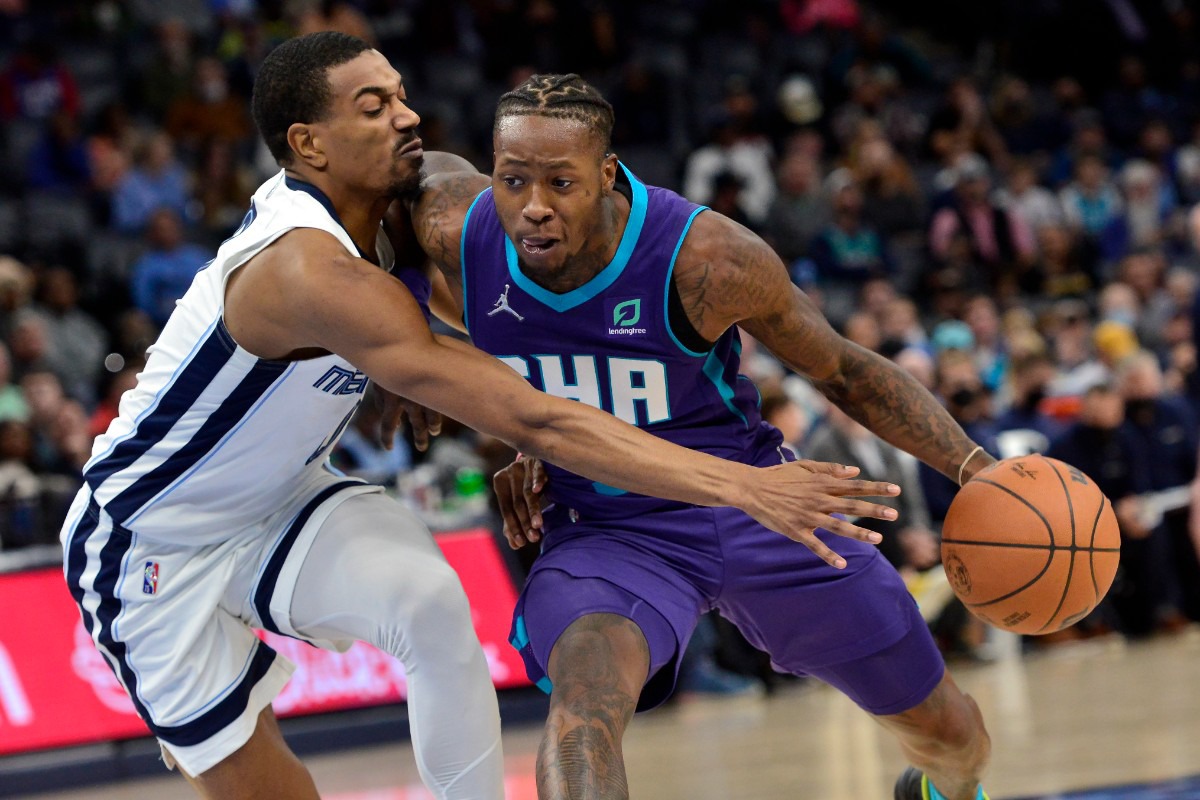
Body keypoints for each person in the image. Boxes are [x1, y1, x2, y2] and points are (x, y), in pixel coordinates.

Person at [61, 34, 901, 800]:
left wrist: (402, 355)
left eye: (398, 93)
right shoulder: (303, 268)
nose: (407, 115)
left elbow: (492, 335)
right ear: (309, 145)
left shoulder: (395, 216)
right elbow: (537, 418)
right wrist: (747, 486)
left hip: (280, 502)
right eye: (373, 107)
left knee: (431, 606)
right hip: (148, 541)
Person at [401, 72, 997, 800]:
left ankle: (944, 789)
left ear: (608, 175)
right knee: (583, 706)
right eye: (512, 178)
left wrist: (974, 465)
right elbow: (373, 216)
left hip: (761, 504)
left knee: (954, 736)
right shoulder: (451, 224)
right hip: (609, 529)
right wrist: (398, 353)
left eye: (561, 182)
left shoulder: (705, 258)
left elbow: (840, 368)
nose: (533, 207)